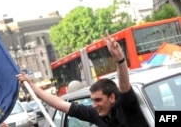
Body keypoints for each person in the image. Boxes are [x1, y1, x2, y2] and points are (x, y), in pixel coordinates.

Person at [16, 31, 149, 127]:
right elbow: (61, 104)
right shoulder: (95, 114)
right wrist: (32, 86)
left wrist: (120, 59)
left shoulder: (126, 107)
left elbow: (124, 87)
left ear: (112, 98)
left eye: (98, 100)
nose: (94, 105)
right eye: (93, 100)